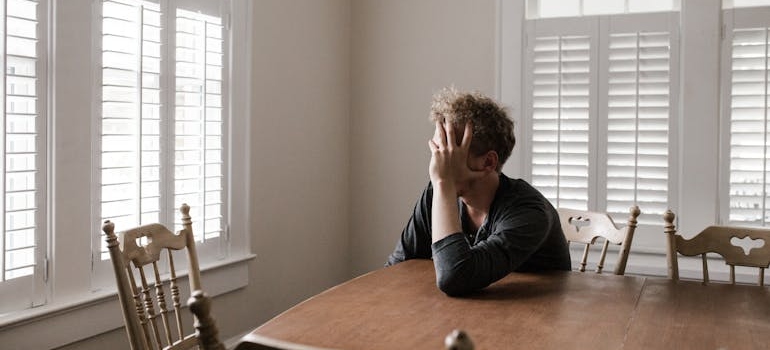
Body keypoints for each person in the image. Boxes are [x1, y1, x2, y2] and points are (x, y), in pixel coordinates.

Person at [386, 87, 571, 296]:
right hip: (465, 315)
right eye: (437, 150)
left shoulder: (529, 212)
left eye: (448, 152)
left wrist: (444, 183)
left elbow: (455, 277)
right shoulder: (437, 193)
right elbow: (397, 268)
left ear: (488, 162)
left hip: (536, 319)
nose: (437, 163)